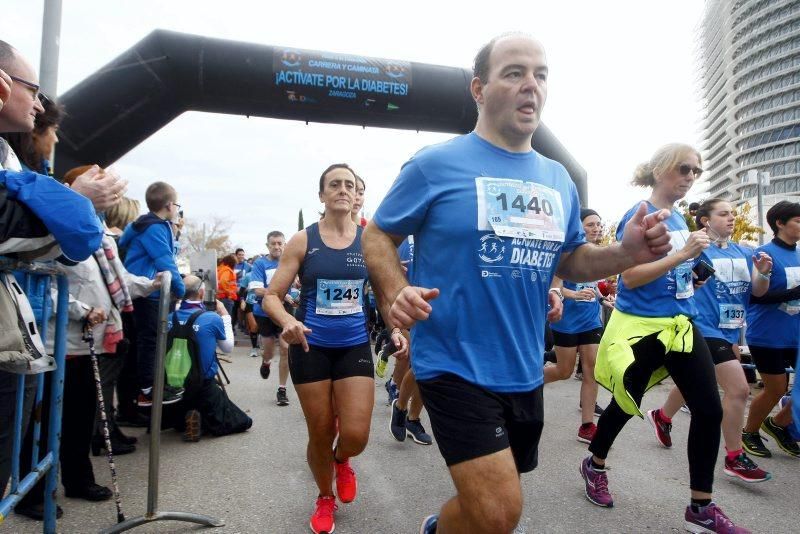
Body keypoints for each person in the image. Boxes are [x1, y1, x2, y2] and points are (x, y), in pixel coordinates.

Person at [362, 34, 680, 534]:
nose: (530, 84)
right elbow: (379, 233)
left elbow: (573, 259)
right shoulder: (435, 164)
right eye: (514, 72)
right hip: (452, 361)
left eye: (541, 74)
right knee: (499, 512)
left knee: (486, 508)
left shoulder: (557, 178)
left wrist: (626, 253)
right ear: (478, 89)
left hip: (524, 366)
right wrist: (392, 290)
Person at [584, 144, 750, 532]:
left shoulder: (677, 220)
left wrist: (692, 275)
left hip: (681, 325)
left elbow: (669, 279)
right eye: (683, 168)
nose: (691, 176)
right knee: (626, 405)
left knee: (710, 410)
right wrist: (683, 255)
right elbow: (631, 279)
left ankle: (701, 508)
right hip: (644, 328)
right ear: (660, 170)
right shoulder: (641, 215)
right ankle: (595, 464)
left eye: (696, 171)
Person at [0, 41, 115, 507]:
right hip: (44, 326)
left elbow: (65, 252)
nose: (41, 103)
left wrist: (68, 209)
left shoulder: (9, 160)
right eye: (35, 89)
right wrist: (75, 202)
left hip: (22, 328)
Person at [263, 163, 406, 534]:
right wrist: (288, 321)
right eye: (334, 184)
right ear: (322, 195)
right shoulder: (303, 240)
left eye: (349, 184)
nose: (343, 189)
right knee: (321, 430)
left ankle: (343, 460)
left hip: (353, 344)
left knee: (355, 434)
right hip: (310, 346)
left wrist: (395, 328)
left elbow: (385, 293)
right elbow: (272, 297)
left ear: (356, 193)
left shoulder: (369, 240)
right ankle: (324, 496)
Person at [645, 198, 772, 483]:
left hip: (729, 331)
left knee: (698, 382)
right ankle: (734, 456)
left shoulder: (744, 252)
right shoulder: (697, 250)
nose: (731, 218)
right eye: (723, 214)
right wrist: (690, 271)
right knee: (738, 390)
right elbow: (679, 285)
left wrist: (762, 273)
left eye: (733, 214)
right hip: (702, 327)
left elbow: (759, 293)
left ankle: (662, 417)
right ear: (705, 220)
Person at [741, 200, 800, 459]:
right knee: (776, 388)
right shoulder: (763, 254)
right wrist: (794, 293)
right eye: (798, 221)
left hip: (795, 332)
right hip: (768, 334)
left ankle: (778, 424)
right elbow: (755, 297)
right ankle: (749, 432)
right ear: (780, 223)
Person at [119, 181, 186, 406]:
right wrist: (181, 289)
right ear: (169, 205)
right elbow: (165, 261)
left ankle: (144, 390)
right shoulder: (156, 228)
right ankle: (148, 389)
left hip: (138, 290)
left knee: (143, 342)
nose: (177, 209)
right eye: (177, 205)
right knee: (150, 342)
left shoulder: (140, 224)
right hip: (150, 292)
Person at [548, 208, 611, 444]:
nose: (596, 228)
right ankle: (528, 385)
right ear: (579, 227)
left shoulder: (600, 253)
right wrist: (573, 296)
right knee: (563, 371)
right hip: (566, 320)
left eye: (598, 224)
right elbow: (555, 286)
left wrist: (606, 299)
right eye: (591, 224)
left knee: (591, 369)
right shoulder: (568, 252)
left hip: (591, 320)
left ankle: (587, 425)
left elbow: (594, 288)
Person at [167, 275, 251, 441]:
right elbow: (227, 348)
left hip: (174, 387)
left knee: (177, 414)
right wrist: (225, 315)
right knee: (243, 422)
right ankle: (202, 419)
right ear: (202, 293)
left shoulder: (169, 318)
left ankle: (187, 416)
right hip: (203, 385)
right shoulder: (211, 318)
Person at [249, 231, 292, 406]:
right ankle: (266, 362)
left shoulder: (290, 261)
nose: (277, 247)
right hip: (264, 312)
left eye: (280, 243)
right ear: (267, 245)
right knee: (268, 350)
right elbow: (256, 290)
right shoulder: (260, 263)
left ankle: (282, 389)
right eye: (273, 243)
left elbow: (297, 283)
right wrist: (279, 294)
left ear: (285, 244)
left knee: (285, 347)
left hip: (284, 310)